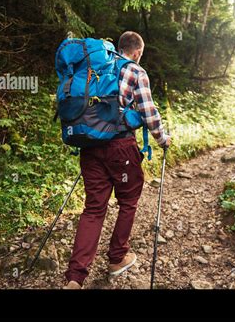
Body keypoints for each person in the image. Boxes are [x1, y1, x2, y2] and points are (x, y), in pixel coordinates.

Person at [63, 31, 171, 289]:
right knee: (128, 200)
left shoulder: (95, 67)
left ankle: (75, 278)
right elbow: (148, 112)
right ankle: (117, 258)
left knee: (93, 208)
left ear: (118, 47)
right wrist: (162, 139)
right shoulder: (136, 71)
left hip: (90, 145)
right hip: (120, 146)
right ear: (137, 52)